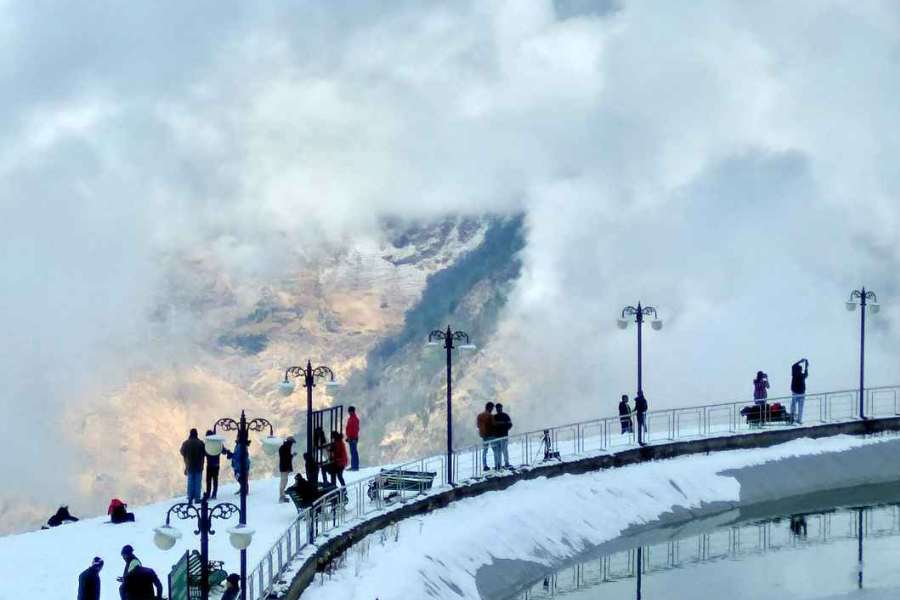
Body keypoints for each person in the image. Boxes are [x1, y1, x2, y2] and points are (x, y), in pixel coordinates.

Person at [180, 428, 205, 504]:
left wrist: (187, 457)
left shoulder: (185, 443)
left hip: (189, 465)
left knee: (190, 481)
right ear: (196, 434)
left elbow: (182, 452)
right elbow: (205, 452)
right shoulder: (200, 443)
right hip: (199, 465)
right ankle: (197, 498)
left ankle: (190, 497)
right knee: (197, 482)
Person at [476, 402, 495, 471]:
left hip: (484, 436)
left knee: (485, 451)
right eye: (492, 408)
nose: (492, 409)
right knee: (495, 450)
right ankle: (497, 464)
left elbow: (478, 425)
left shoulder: (479, 416)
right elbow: (493, 425)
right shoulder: (490, 416)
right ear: (490, 408)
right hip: (491, 435)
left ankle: (485, 465)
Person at [493, 403, 513, 469]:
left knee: (499, 451)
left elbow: (510, 425)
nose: (498, 409)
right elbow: (510, 425)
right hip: (502, 436)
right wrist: (505, 428)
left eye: (499, 408)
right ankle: (505, 463)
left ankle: (499, 464)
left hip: (499, 437)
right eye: (498, 408)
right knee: (503, 450)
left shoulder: (495, 417)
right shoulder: (505, 416)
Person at [790, 359, 809, 424]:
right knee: (799, 407)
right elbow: (806, 374)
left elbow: (793, 366)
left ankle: (793, 419)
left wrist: (800, 361)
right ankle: (798, 419)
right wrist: (806, 366)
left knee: (793, 406)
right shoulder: (801, 375)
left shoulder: (794, 374)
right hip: (800, 393)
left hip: (797, 392)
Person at [278, 436, 296, 503]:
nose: (292, 445)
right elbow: (286, 458)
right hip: (284, 468)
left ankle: (282, 495)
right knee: (283, 481)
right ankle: (281, 497)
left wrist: (292, 455)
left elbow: (286, 458)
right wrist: (292, 455)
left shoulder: (284, 447)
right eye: (291, 443)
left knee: (284, 481)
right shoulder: (285, 448)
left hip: (284, 467)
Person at [204, 429, 221, 499]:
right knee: (215, 479)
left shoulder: (207, 444)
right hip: (216, 464)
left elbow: (204, 453)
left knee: (208, 480)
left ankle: (208, 493)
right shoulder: (217, 442)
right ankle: (214, 494)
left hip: (210, 464)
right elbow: (222, 450)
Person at [346, 406, 361, 471]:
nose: (349, 412)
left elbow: (355, 429)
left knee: (354, 452)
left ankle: (355, 466)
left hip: (353, 438)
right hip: (351, 438)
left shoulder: (354, 419)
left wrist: (353, 438)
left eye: (349, 411)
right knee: (352, 452)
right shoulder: (351, 418)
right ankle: (353, 465)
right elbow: (349, 429)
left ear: (351, 411)